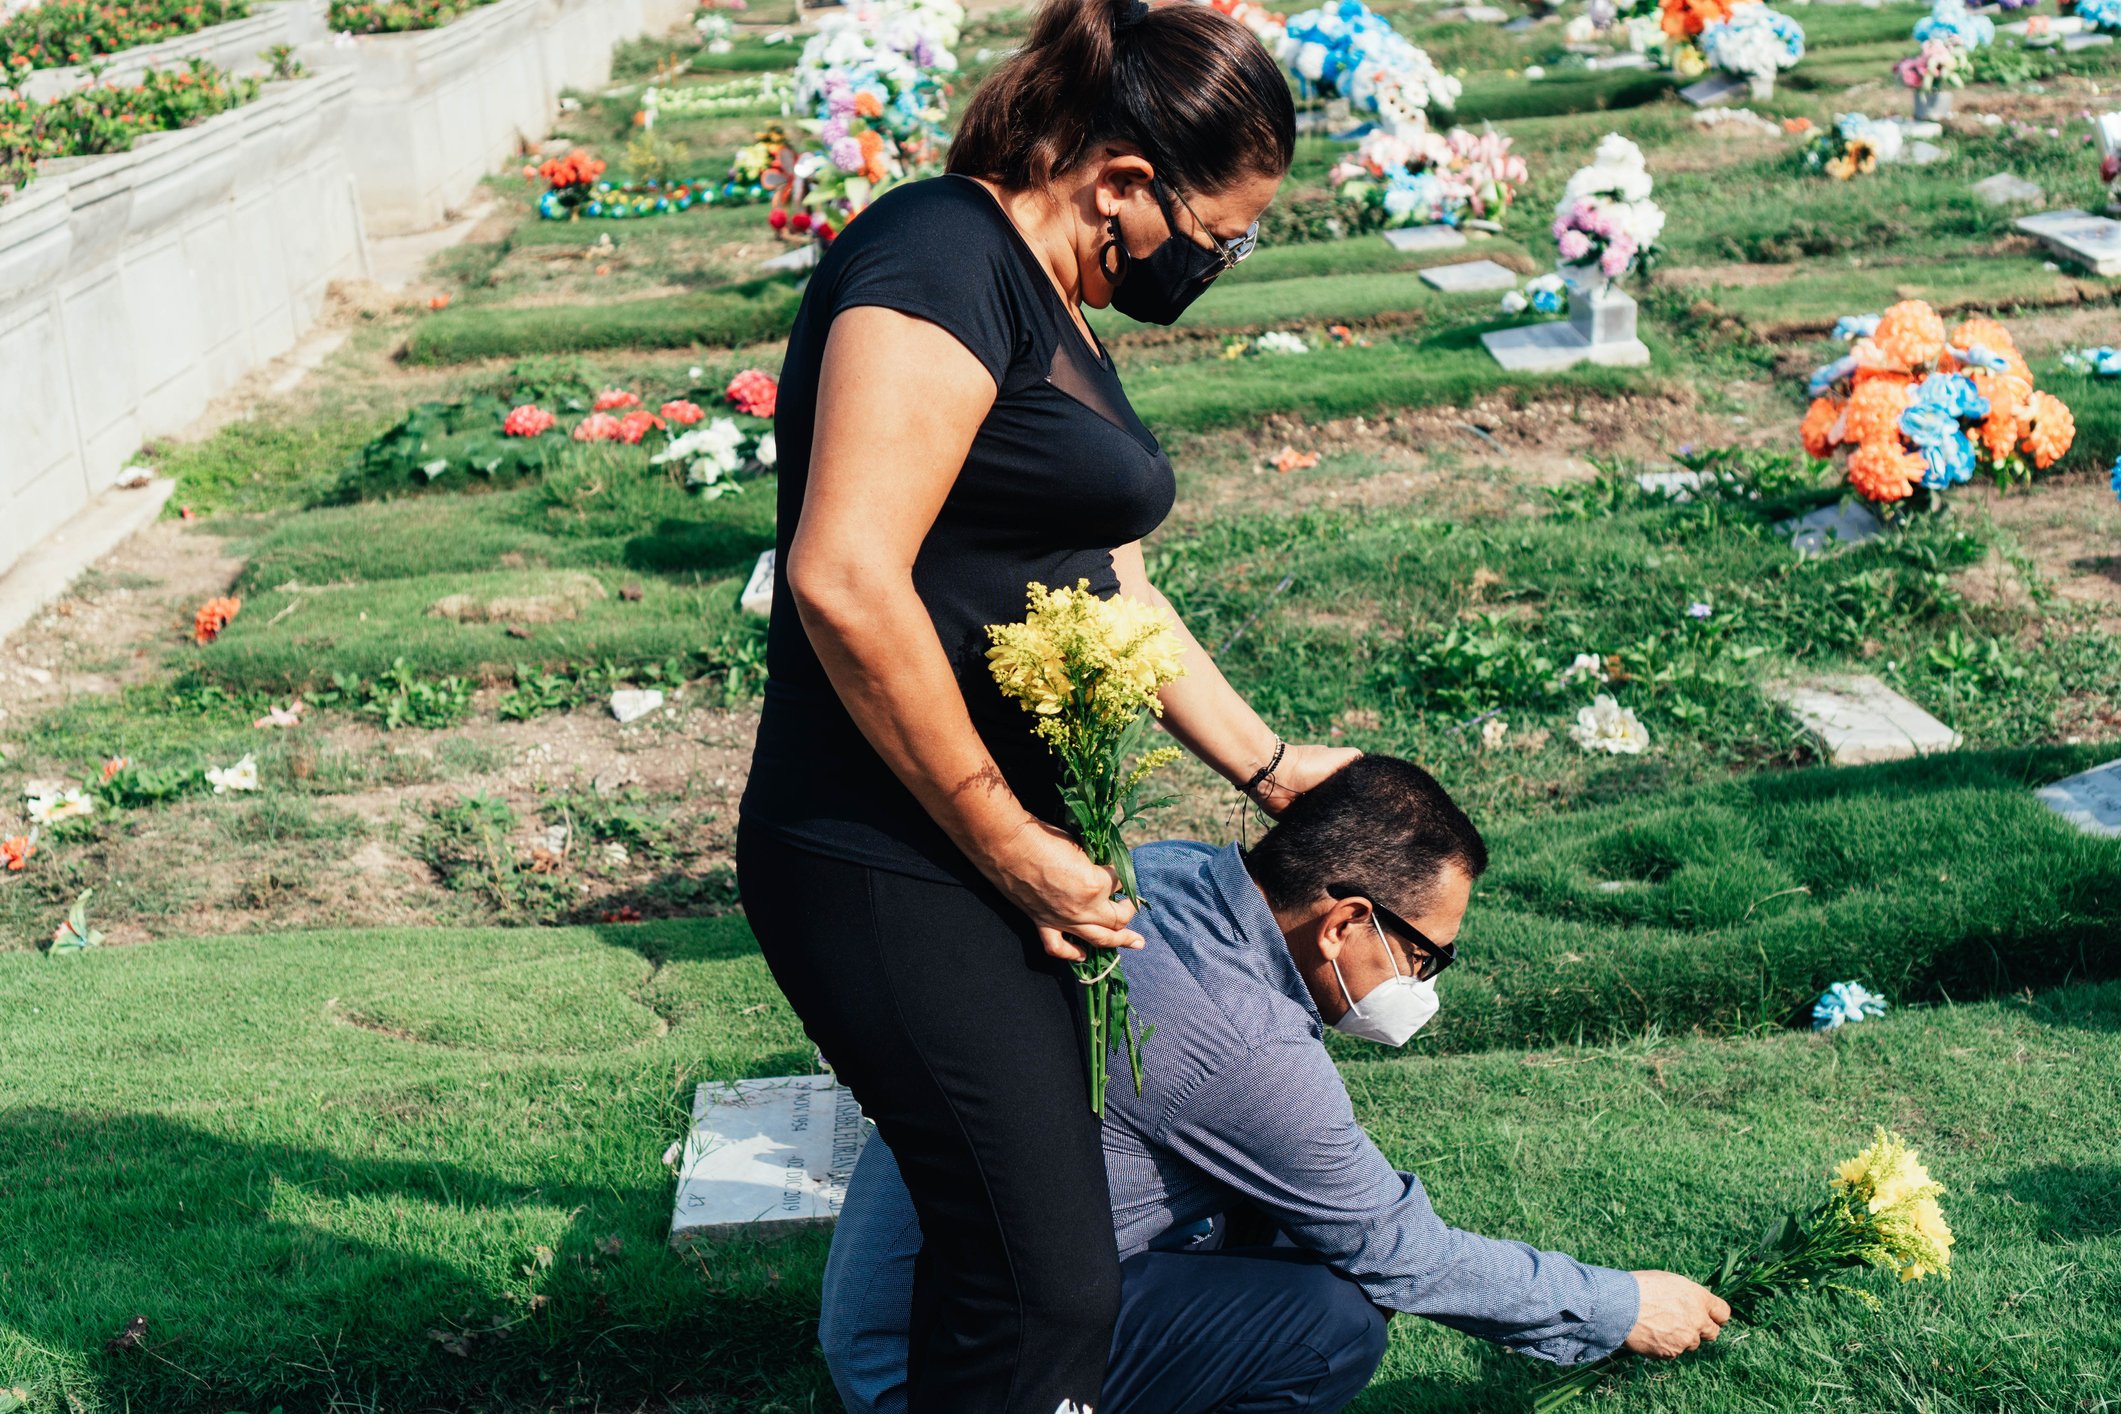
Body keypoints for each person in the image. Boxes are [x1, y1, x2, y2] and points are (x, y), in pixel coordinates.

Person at [734, 0, 1360, 1408]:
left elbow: (1111, 591)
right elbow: (841, 576)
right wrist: (1001, 830)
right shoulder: (936, 261)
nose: (1219, 262)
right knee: (1042, 1277)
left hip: (990, 858)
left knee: (1024, 1266)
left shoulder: (1042, 296)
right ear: (1124, 181)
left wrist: (1266, 767)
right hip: (890, 854)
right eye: (1225, 231)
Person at [819, 756, 1733, 1414]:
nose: (1425, 982)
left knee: (1300, 1229)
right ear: (1345, 922)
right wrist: (1618, 1307)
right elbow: (1400, 1252)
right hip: (940, 1371)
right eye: (1426, 954)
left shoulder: (1173, 873)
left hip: (909, 1299)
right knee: (1330, 1321)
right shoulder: (1239, 1046)